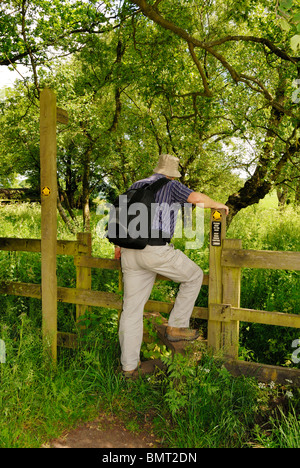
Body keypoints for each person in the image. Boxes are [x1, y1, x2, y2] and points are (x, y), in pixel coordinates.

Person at [118, 154, 229, 377]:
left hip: (129, 251)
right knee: (194, 275)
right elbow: (196, 198)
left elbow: (121, 217)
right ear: (172, 172)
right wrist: (217, 204)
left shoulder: (136, 185)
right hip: (155, 249)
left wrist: (119, 246)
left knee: (131, 311)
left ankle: (129, 369)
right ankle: (176, 326)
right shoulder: (171, 185)